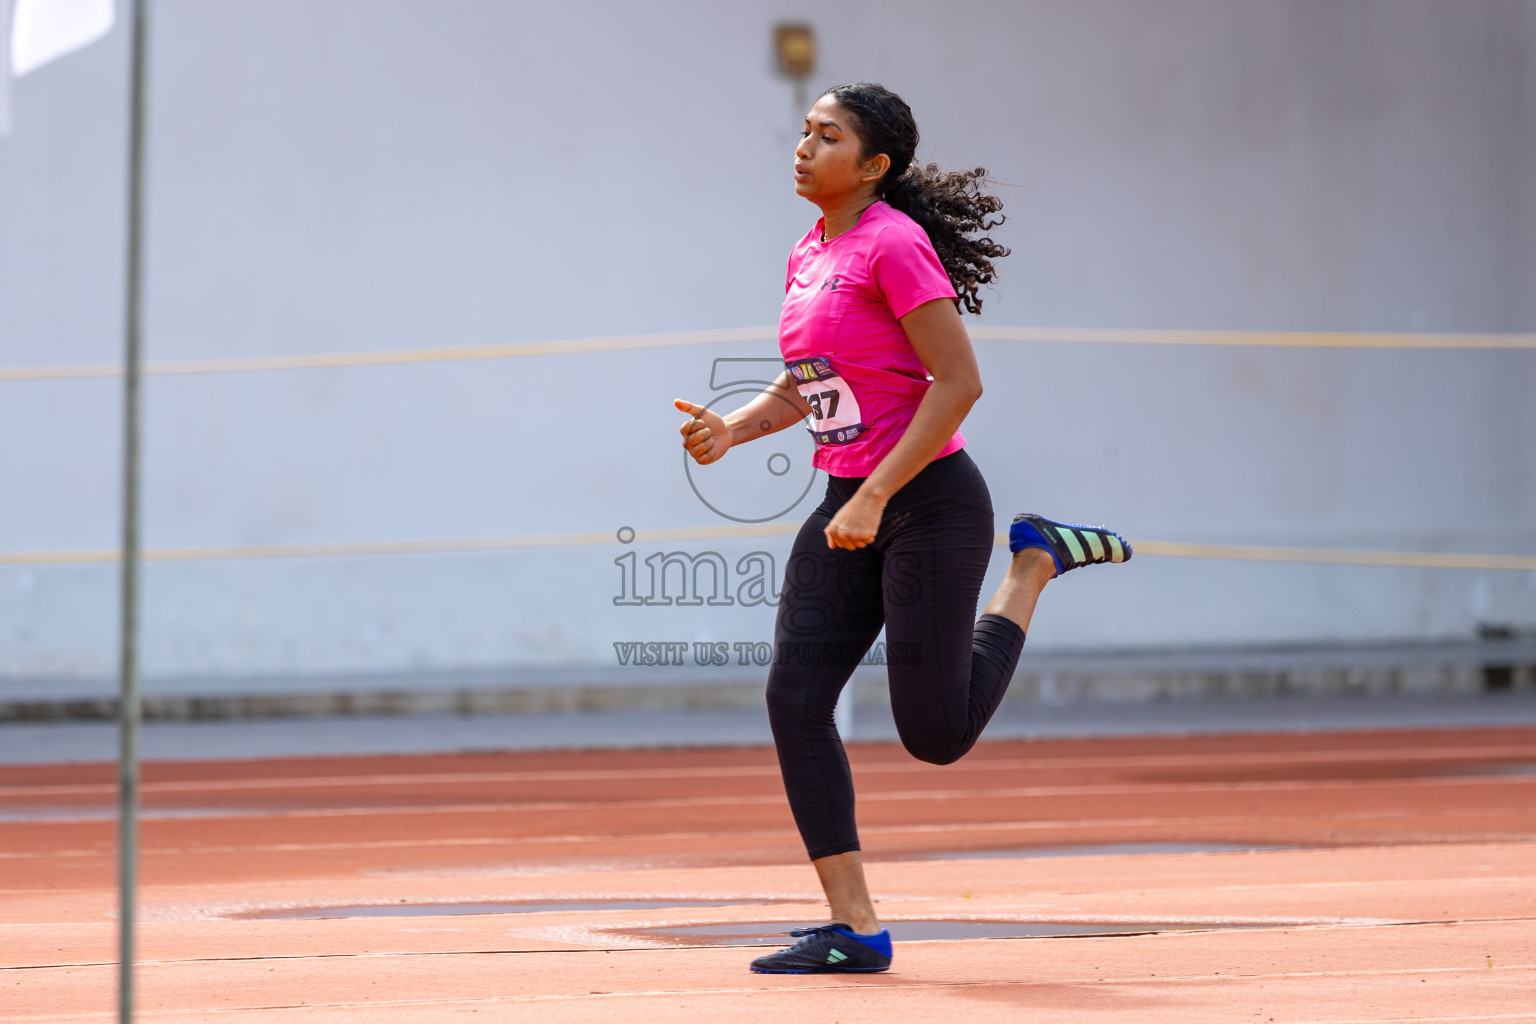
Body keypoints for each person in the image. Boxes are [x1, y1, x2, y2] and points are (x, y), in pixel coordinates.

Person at [673, 82, 1130, 975]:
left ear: (874, 165)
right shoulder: (811, 249)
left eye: (827, 136)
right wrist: (734, 428)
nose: (803, 147)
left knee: (936, 735)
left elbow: (958, 384)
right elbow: (812, 381)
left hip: (926, 503)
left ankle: (1033, 563)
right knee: (794, 701)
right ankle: (856, 927)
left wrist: (877, 495)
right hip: (846, 503)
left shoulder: (894, 245)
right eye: (803, 132)